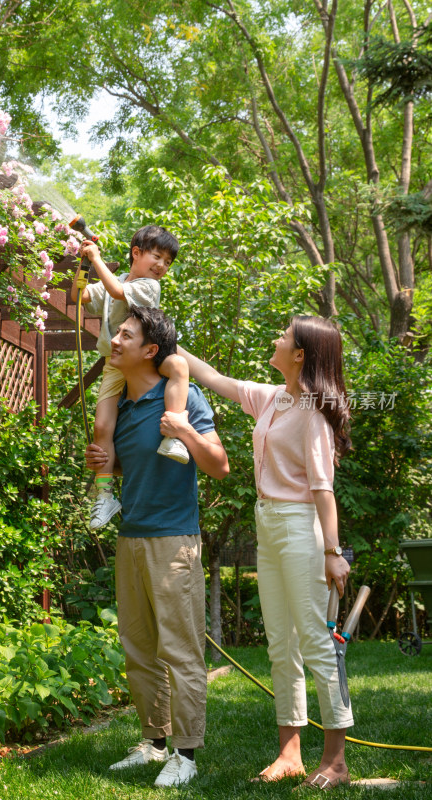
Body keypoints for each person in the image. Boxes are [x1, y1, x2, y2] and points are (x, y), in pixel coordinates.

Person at [177, 316, 353, 790]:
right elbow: (212, 377)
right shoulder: (272, 398)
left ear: (300, 355)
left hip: (302, 528)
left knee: (316, 642)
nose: (275, 340)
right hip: (269, 524)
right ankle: (290, 754)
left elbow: (323, 489)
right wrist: (166, 338)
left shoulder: (313, 413)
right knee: (280, 643)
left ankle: (335, 761)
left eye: (284, 337)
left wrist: (332, 552)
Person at [85, 305, 229, 788]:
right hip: (131, 539)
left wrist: (183, 429)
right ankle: (154, 743)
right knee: (139, 650)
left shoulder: (184, 398)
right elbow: (135, 464)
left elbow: (219, 466)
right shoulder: (120, 407)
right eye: (117, 332)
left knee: (181, 651)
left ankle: (186, 754)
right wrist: (108, 461)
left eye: (126, 334)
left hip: (173, 543)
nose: (116, 340)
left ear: (151, 350)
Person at [71, 225, 190, 530]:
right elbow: (79, 296)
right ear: (136, 253)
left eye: (167, 262)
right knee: (101, 427)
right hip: (116, 363)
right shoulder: (119, 280)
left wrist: (96, 257)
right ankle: (105, 495)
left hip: (147, 358)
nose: (162, 266)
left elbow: (117, 291)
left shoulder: (149, 287)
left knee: (177, 366)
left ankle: (173, 438)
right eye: (157, 256)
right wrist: (82, 264)